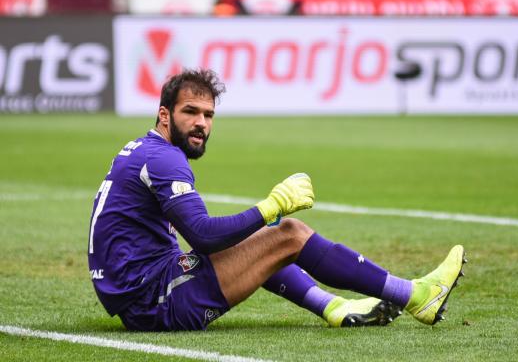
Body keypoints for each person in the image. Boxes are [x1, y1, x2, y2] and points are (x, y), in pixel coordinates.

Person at [87, 69, 467, 331]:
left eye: (209, 114)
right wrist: (270, 206)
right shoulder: (165, 159)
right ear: (164, 115)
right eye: (191, 112)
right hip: (154, 301)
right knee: (288, 233)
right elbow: (202, 235)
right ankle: (416, 295)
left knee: (257, 241)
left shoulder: (144, 149)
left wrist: (257, 225)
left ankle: (334, 307)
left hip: (142, 289)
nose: (202, 122)